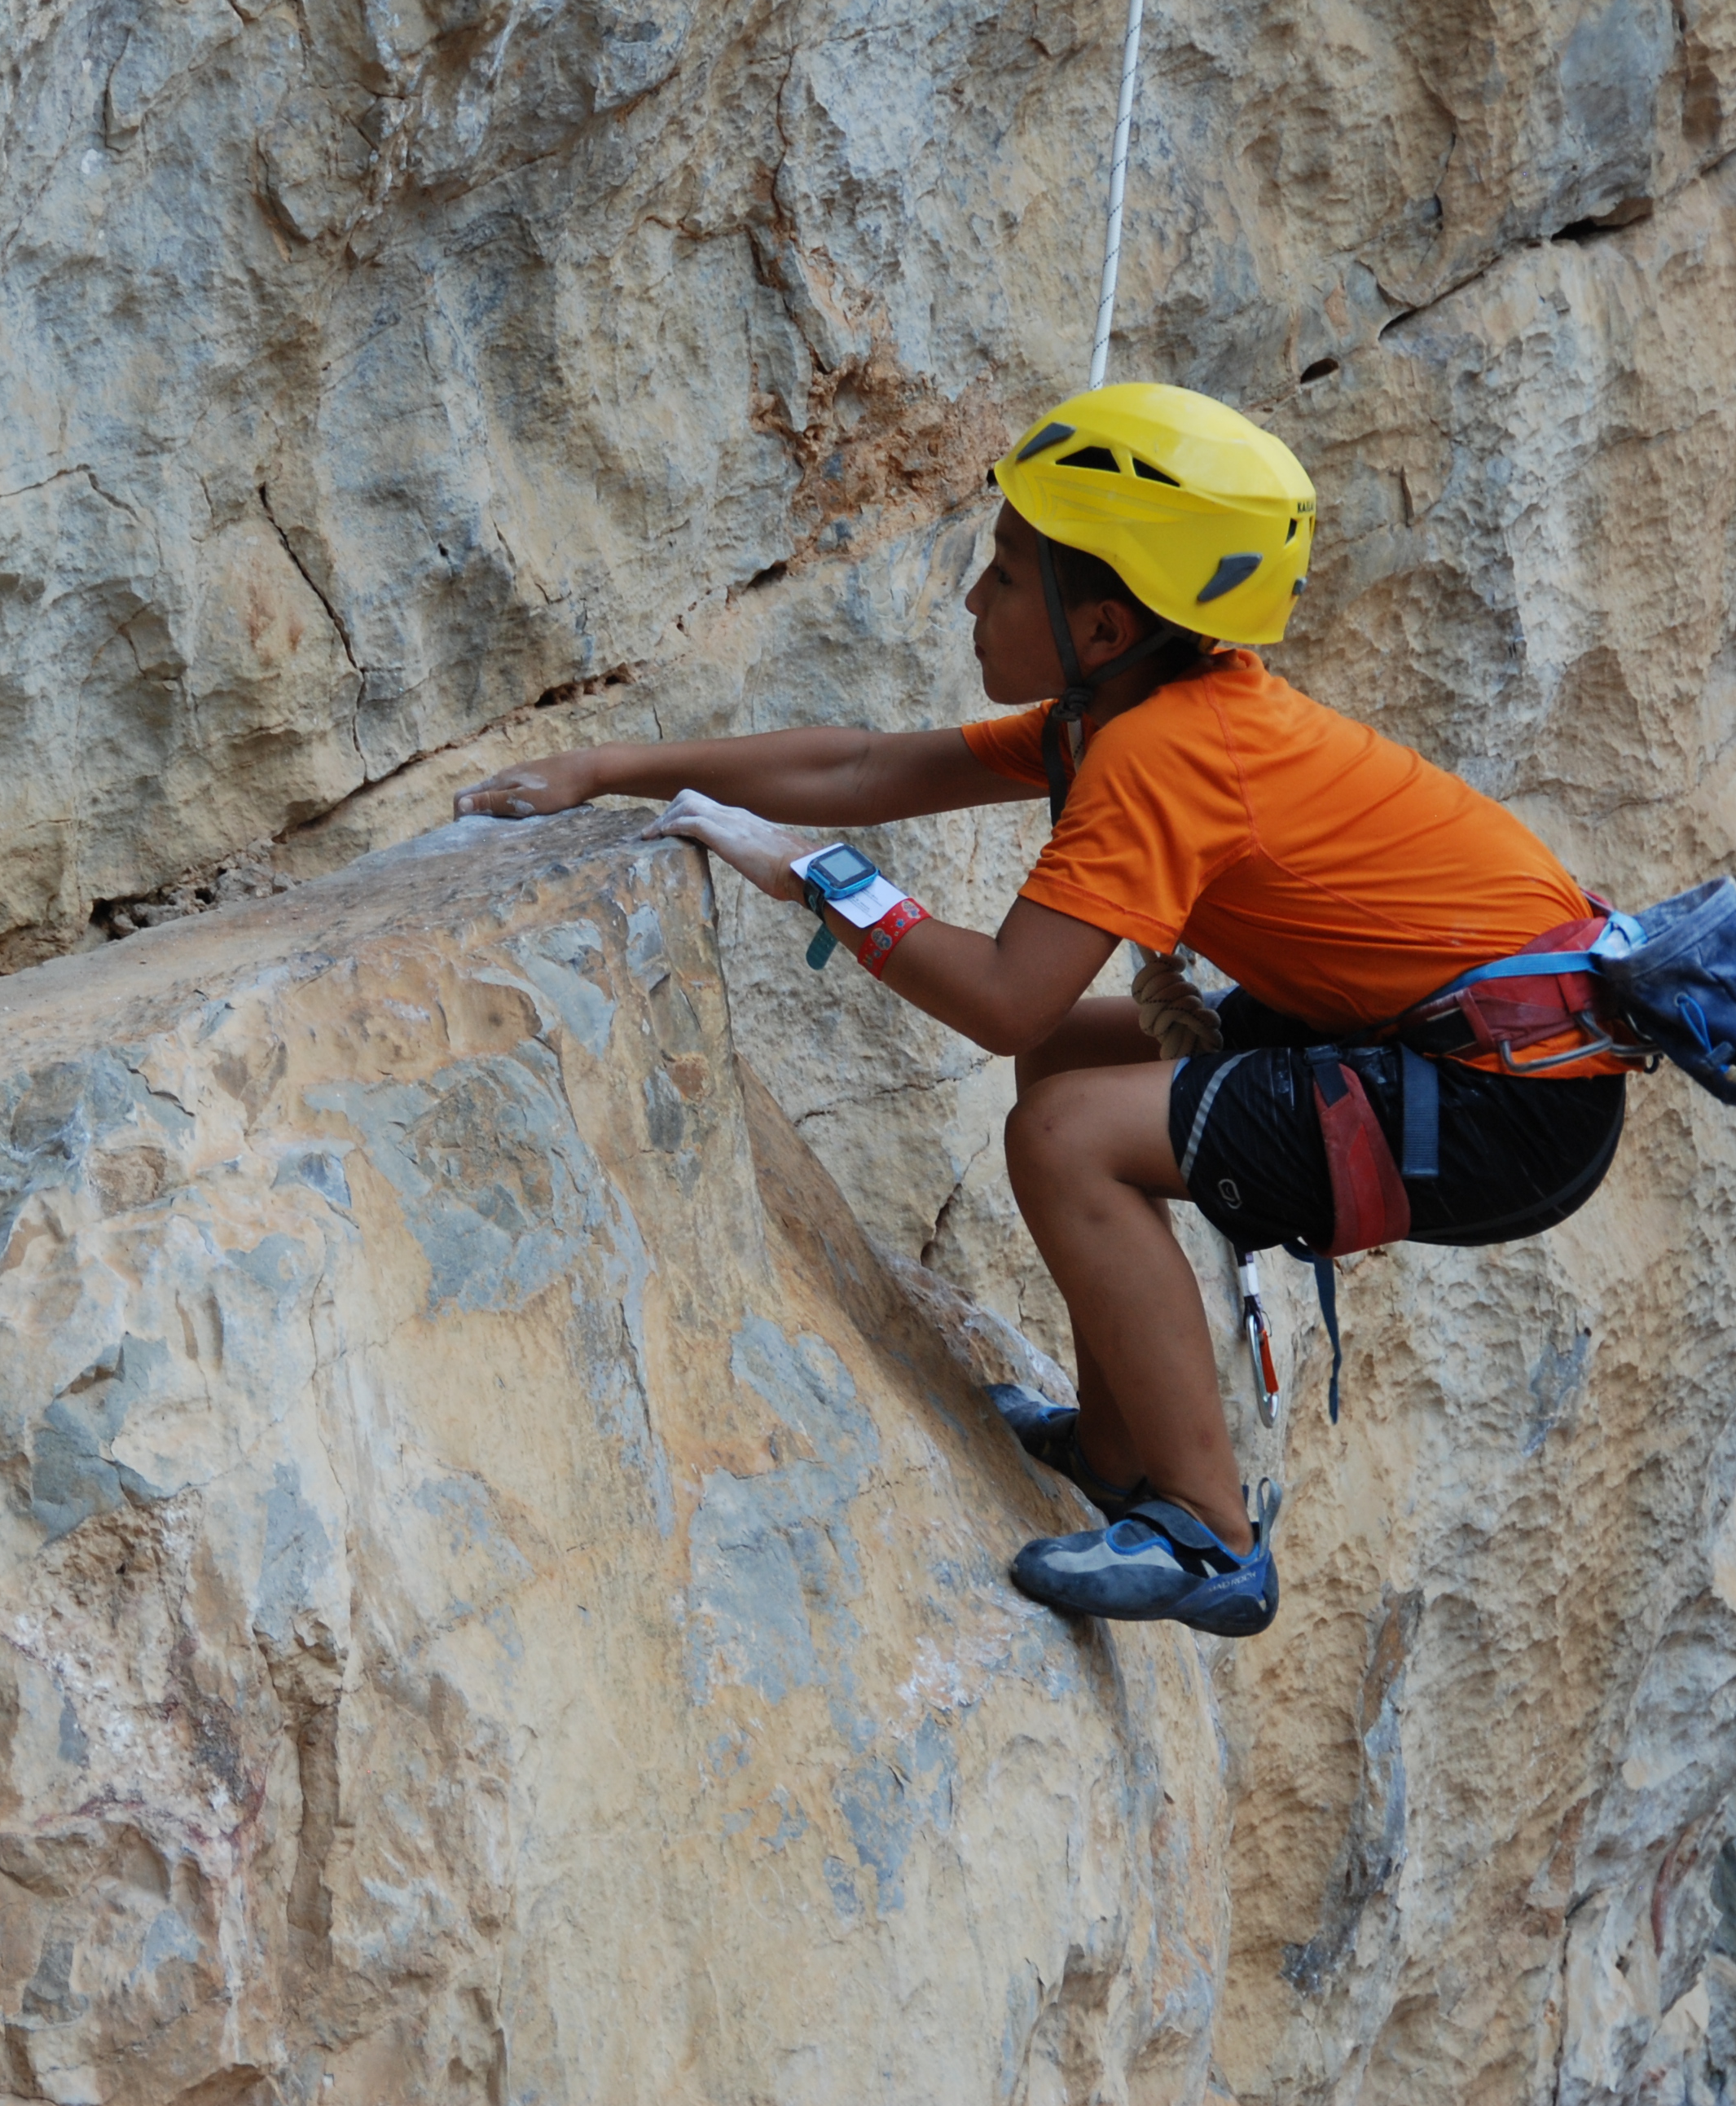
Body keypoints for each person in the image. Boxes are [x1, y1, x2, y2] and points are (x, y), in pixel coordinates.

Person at [451, 384, 1637, 1633]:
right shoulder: (1126, 712)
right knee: (1077, 1065)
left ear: (1109, 626)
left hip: (1503, 1103)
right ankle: (1120, 1455)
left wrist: (805, 871)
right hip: (1467, 1052)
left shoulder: (1162, 755)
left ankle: (1207, 1540)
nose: (975, 598)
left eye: (1007, 577)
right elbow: (866, 766)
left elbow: (1007, 1001)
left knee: (1064, 1132)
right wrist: (605, 768)